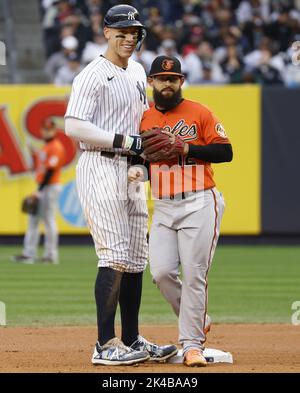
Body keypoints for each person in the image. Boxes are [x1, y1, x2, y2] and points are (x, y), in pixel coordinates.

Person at [64, 5, 177, 366]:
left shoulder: (139, 70)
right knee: (112, 254)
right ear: (106, 33)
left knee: (135, 259)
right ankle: (103, 344)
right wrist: (128, 143)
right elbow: (74, 126)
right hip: (100, 165)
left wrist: (142, 159)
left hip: (131, 171)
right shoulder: (93, 75)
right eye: (122, 32)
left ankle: (131, 339)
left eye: (134, 33)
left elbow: (140, 127)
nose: (129, 38)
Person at [139, 55, 233, 367]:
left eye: (173, 78)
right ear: (152, 82)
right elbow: (141, 159)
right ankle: (198, 316)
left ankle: (192, 345)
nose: (168, 84)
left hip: (199, 201)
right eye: (162, 78)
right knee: (162, 273)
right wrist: (138, 170)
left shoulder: (199, 112)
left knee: (194, 275)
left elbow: (225, 151)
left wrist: (187, 148)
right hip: (164, 204)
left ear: (181, 82)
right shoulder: (143, 118)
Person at [13, 118, 66, 264]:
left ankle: (50, 255)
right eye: (44, 128)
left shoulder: (56, 147)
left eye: (49, 129)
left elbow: (50, 171)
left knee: (48, 220)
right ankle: (29, 253)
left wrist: (39, 191)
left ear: (54, 130)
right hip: (43, 186)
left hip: (50, 186)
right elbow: (41, 168)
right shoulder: (46, 147)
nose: (46, 131)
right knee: (34, 220)